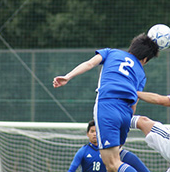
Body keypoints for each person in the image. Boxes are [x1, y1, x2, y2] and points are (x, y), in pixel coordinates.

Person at [53, 33, 159, 172]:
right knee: (116, 161)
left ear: (131, 47)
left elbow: (89, 63)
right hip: (125, 114)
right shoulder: (141, 73)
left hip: (108, 107)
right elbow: (135, 102)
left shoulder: (111, 53)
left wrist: (67, 77)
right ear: (145, 59)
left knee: (112, 164)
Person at [68, 120, 150, 172]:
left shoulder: (110, 150)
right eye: (92, 131)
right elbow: (72, 169)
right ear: (87, 134)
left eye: (97, 131)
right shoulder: (83, 151)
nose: (94, 134)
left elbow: (132, 159)